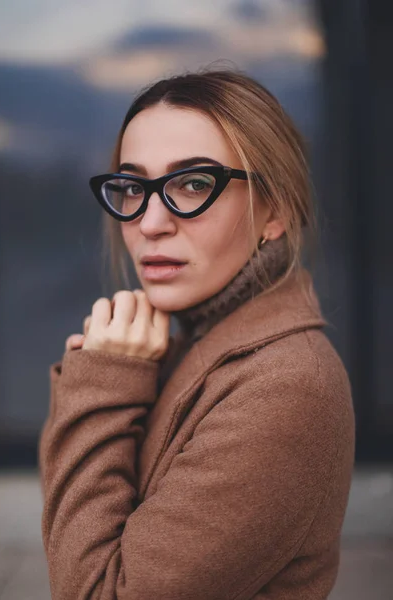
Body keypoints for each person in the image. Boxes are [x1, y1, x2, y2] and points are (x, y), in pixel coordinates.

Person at [39, 68, 355, 599]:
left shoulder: (287, 388)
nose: (151, 221)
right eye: (134, 185)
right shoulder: (189, 344)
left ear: (274, 209)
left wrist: (101, 393)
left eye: (194, 183)